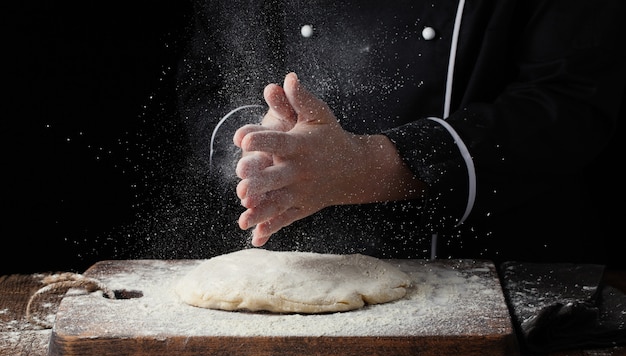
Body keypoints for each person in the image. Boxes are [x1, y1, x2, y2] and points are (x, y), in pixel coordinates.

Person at [176, 0, 626, 265]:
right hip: (295, 261)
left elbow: (569, 99)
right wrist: (260, 144)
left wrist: (372, 166)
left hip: (494, 263)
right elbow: (211, 75)